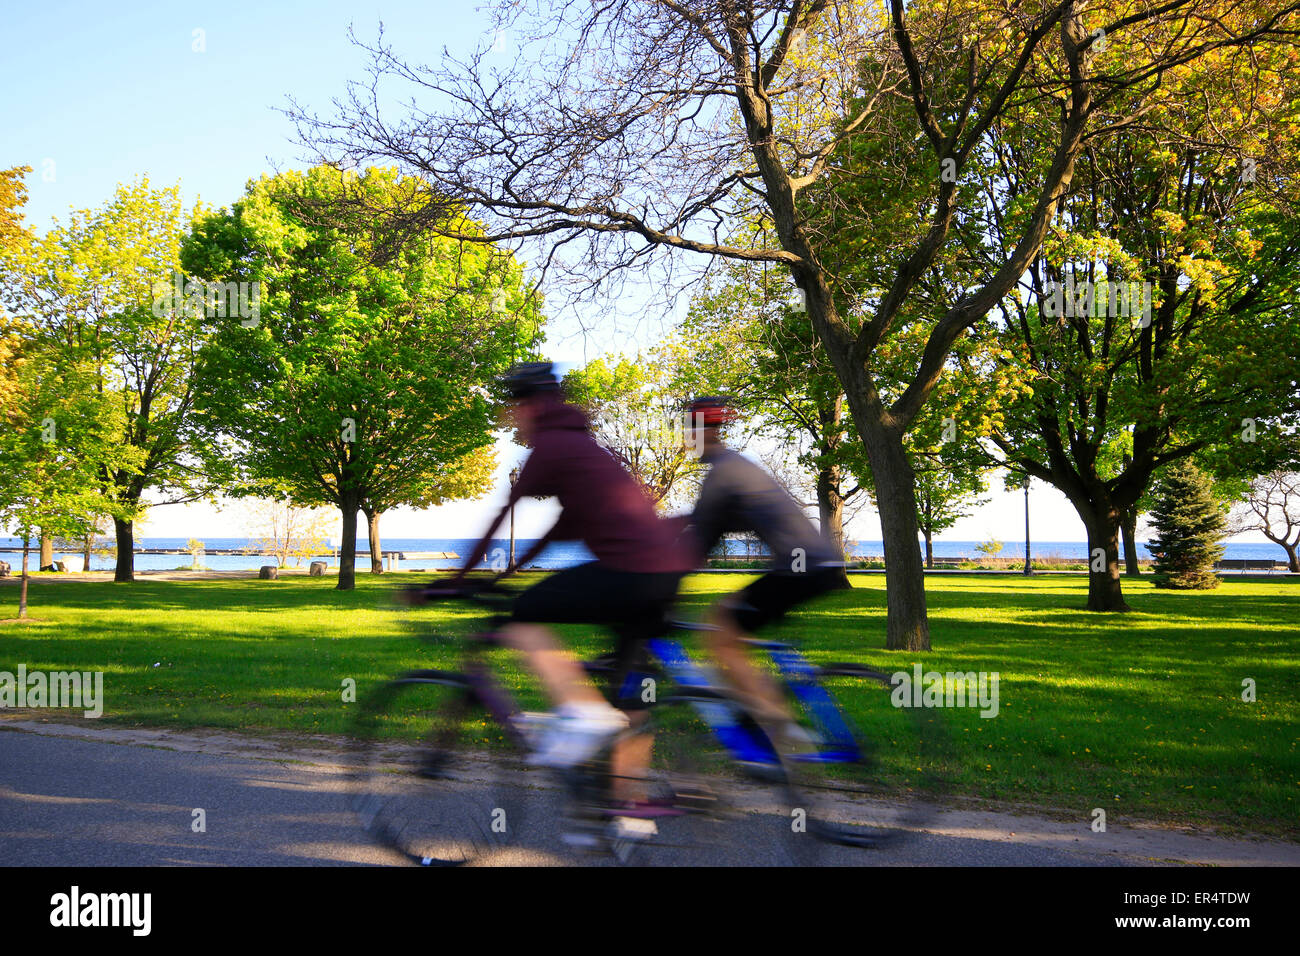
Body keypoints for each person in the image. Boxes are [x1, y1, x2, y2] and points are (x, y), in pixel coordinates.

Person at [415, 362, 692, 810]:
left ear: (529, 404)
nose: (513, 417)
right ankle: (625, 801)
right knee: (629, 686)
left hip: (631, 572)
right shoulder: (584, 448)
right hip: (663, 577)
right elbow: (559, 529)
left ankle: (582, 715)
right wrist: (510, 570)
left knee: (522, 615)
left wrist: (453, 580)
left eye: (514, 407)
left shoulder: (551, 446)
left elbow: (501, 515)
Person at [680, 396, 847, 754]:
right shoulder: (736, 468)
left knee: (721, 632)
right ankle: (765, 716)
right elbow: (707, 524)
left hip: (799, 569)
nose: (685, 441)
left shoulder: (722, 474)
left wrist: (662, 579)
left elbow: (700, 540)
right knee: (729, 618)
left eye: (688, 432)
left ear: (703, 433)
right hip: (813, 565)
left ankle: (782, 731)